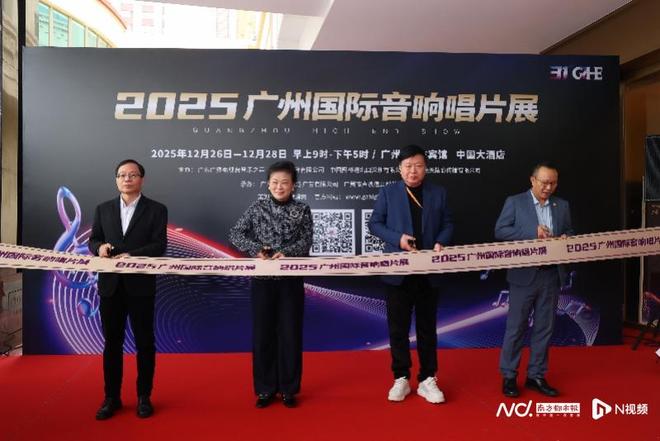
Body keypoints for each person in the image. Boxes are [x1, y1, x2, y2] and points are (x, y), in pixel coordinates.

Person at [368, 144, 453, 404]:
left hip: (428, 271)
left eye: (417, 166)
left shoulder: (438, 193)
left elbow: (448, 223)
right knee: (398, 328)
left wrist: (441, 241)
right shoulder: (388, 192)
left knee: (427, 328)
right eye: (407, 166)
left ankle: (428, 378)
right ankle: (401, 378)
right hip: (398, 272)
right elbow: (375, 224)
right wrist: (398, 239)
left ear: (425, 168)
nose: (412, 171)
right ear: (399, 169)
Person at [229, 160, 313, 408]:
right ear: (268, 185)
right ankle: (265, 389)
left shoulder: (302, 209)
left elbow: (306, 240)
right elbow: (235, 234)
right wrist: (257, 249)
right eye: (274, 182)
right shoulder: (257, 208)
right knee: (263, 334)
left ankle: (289, 389)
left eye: (284, 182)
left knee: (290, 334)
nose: (279, 187)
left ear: (293, 185)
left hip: (290, 281)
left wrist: (286, 253)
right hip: (262, 281)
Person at [88, 159, 168, 419]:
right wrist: (99, 248)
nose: (127, 179)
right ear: (116, 179)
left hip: (140, 285)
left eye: (132, 175)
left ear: (141, 179)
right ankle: (111, 397)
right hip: (110, 286)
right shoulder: (103, 209)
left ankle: (144, 396)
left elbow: (159, 245)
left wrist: (131, 256)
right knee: (112, 343)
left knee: (145, 342)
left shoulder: (156, 209)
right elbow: (93, 239)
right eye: (122, 175)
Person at [494, 162, 573, 398]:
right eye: (544, 182)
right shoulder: (515, 202)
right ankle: (509, 376)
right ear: (532, 180)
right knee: (516, 328)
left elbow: (570, 231)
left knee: (545, 328)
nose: (548, 187)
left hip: (551, 275)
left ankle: (536, 376)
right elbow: (500, 230)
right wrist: (532, 233)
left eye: (553, 183)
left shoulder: (562, 205)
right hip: (523, 275)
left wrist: (566, 238)